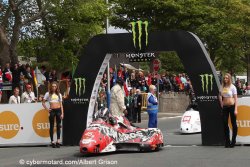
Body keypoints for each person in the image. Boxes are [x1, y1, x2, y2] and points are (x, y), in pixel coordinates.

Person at [42, 82, 64, 148]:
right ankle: (52, 141)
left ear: (57, 87)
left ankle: (58, 141)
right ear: (51, 87)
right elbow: (43, 103)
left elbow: (61, 105)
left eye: (55, 86)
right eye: (53, 86)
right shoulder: (48, 94)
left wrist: (62, 113)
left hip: (58, 110)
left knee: (58, 125)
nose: (54, 87)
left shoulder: (59, 94)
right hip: (52, 110)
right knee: (51, 126)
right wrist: (47, 109)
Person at [219, 73, 238, 148]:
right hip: (225, 107)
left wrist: (236, 109)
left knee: (233, 123)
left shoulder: (233, 87)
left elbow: (236, 99)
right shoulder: (222, 87)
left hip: (232, 106)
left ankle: (233, 140)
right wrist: (221, 103)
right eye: (224, 78)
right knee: (224, 123)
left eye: (227, 78)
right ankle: (227, 141)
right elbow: (220, 95)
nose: (225, 79)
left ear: (229, 79)